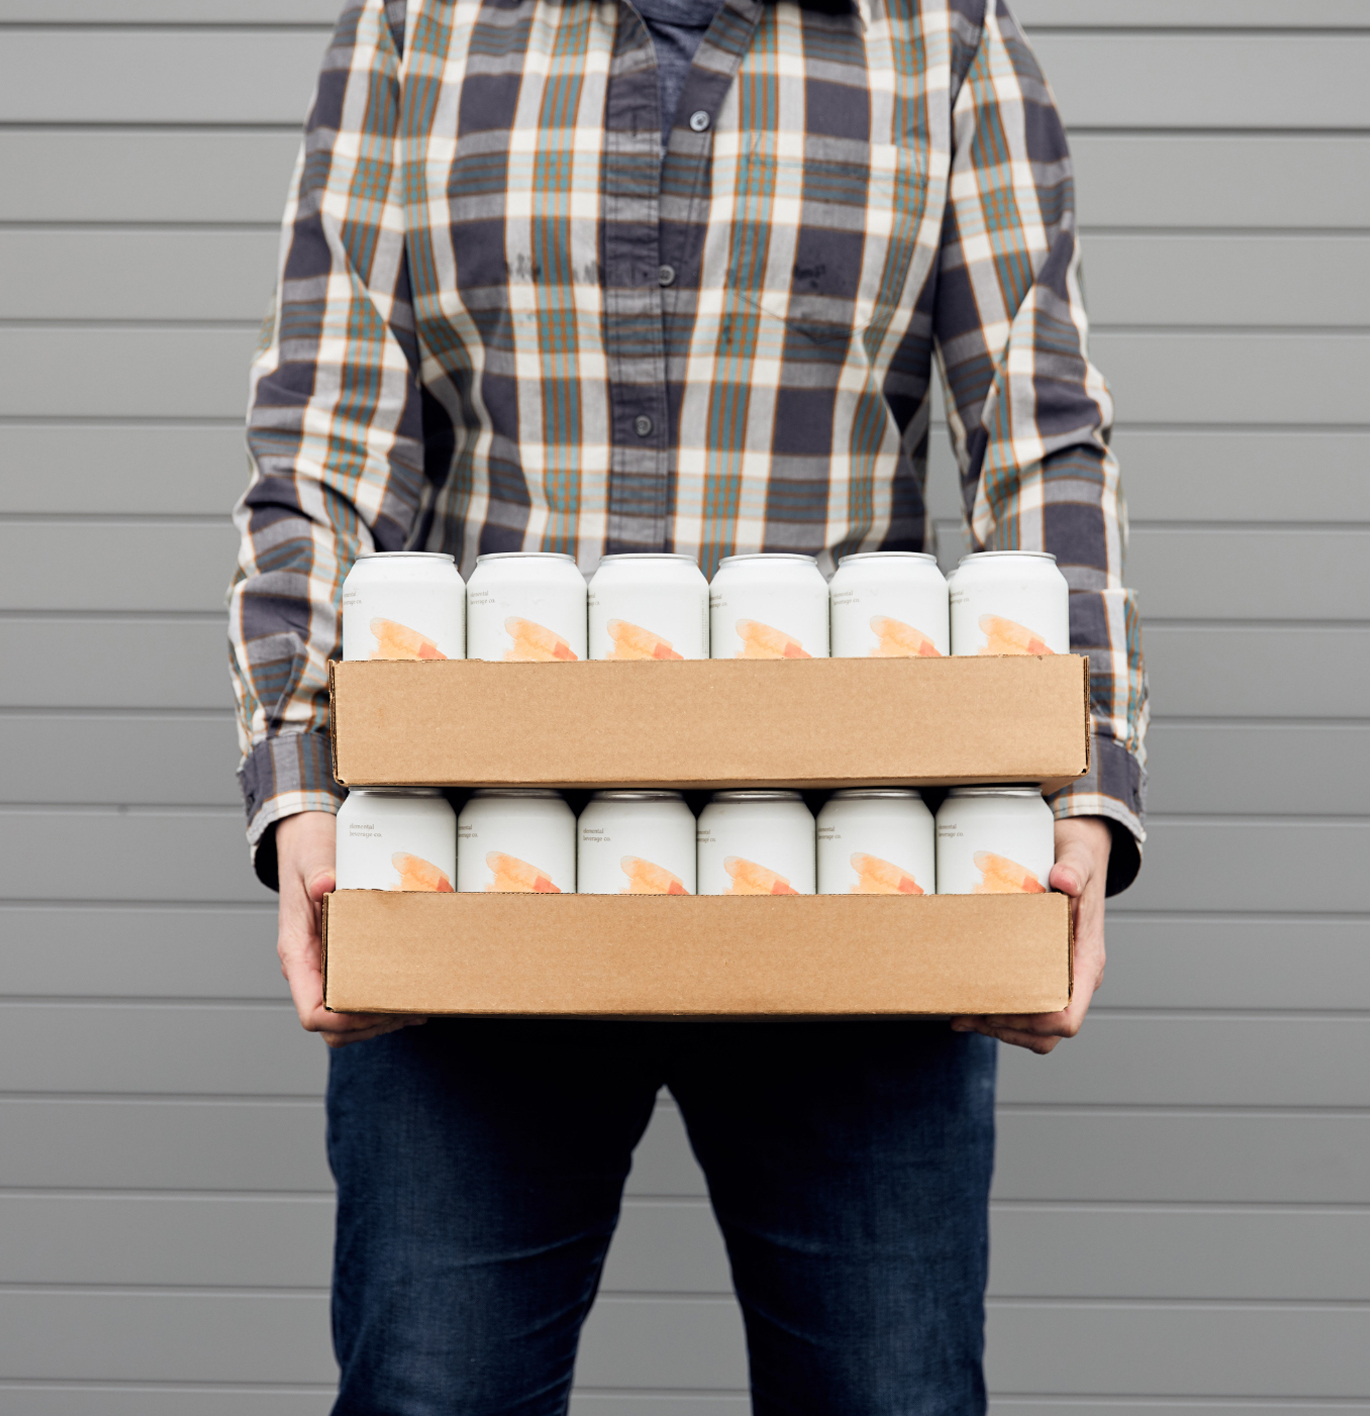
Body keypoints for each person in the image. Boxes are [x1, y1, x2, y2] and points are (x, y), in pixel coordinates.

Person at [228, 0, 1147, 1408]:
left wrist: (1082, 779)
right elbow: (328, 427)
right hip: (475, 859)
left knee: (892, 1395)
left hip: (860, 864)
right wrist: (298, 769)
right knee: (433, 1392)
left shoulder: (940, 35)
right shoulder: (421, 27)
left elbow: (1041, 433)